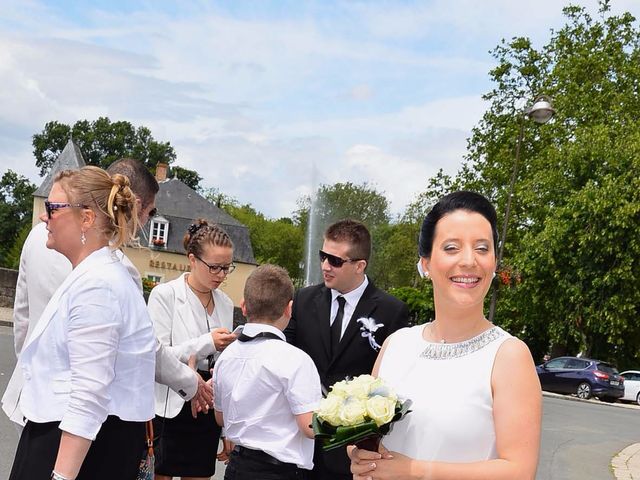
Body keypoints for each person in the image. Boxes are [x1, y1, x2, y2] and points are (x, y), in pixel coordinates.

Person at [2, 158, 212, 431]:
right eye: (149, 213)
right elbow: (145, 348)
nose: (145, 224)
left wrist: (34, 373)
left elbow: (24, 320)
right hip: (84, 414)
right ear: (133, 205)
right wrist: (190, 381)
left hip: (31, 398)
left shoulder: (37, 237)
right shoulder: (120, 269)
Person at [349, 191, 542, 480]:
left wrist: (415, 471)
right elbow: (368, 435)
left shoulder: (508, 355)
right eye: (452, 247)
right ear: (425, 263)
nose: (469, 261)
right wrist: (360, 454)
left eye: (482, 248)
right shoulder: (396, 345)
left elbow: (518, 471)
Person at [9, 166, 156, 480]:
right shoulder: (96, 275)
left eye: (53, 208)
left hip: (76, 449)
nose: (43, 217)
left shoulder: (98, 286)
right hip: (72, 438)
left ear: (87, 218)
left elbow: (89, 394)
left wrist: (61, 476)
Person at [285, 219, 410, 480]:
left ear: (359, 265)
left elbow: (393, 382)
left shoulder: (391, 311)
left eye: (335, 261)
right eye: (322, 256)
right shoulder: (303, 299)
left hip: (352, 452)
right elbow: (284, 354)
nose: (324, 266)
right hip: (299, 446)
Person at [214, 264, 322, 480]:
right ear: (289, 309)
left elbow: (220, 418)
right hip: (279, 472)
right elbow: (310, 427)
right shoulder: (296, 359)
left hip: (237, 468)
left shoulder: (226, 356)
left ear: (244, 307)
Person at [148, 219, 237, 480]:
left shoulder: (225, 302)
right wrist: (206, 342)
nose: (221, 275)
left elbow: (225, 368)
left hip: (207, 406)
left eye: (226, 268)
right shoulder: (164, 295)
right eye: (214, 267)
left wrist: (226, 428)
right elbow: (156, 354)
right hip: (168, 406)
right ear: (192, 260)